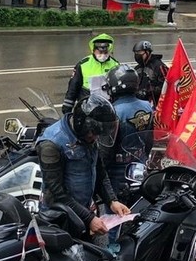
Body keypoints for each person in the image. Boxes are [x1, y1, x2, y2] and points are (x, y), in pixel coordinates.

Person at [36, 95, 130, 238]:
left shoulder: (89, 135)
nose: (95, 139)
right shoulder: (51, 144)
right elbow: (57, 192)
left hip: (82, 212)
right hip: (59, 218)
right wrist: (89, 218)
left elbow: (99, 171)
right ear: (81, 124)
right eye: (94, 134)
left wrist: (112, 201)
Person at [103, 64, 154, 203]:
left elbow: (105, 152)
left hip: (118, 171)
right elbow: (150, 140)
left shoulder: (113, 112)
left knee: (116, 217)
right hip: (140, 165)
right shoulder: (147, 106)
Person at [62, 32, 120, 115]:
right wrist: (67, 109)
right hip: (87, 108)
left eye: (105, 52)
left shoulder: (115, 64)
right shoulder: (83, 64)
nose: (103, 55)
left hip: (108, 108)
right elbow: (73, 88)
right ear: (93, 50)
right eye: (100, 53)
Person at [132, 40, 168, 105]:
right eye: (135, 53)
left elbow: (166, 85)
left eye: (139, 52)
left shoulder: (158, 66)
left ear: (147, 52)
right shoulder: (137, 68)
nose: (137, 55)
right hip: (140, 103)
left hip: (156, 103)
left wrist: (148, 91)